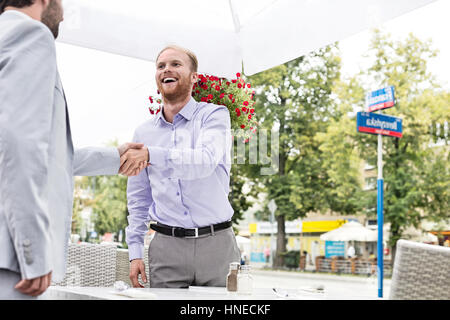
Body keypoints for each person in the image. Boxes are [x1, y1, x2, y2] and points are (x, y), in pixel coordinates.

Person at [0, 0, 147, 299]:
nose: (64, 12)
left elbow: (44, 152)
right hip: (11, 255)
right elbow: (20, 145)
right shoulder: (30, 34)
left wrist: (112, 157)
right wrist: (32, 250)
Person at [125, 45, 241, 288]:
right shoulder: (143, 133)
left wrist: (151, 154)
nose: (167, 69)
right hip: (167, 248)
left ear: (194, 77)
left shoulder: (214, 116)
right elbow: (138, 198)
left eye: (176, 64)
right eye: (161, 66)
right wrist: (135, 251)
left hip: (217, 246)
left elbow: (204, 161)